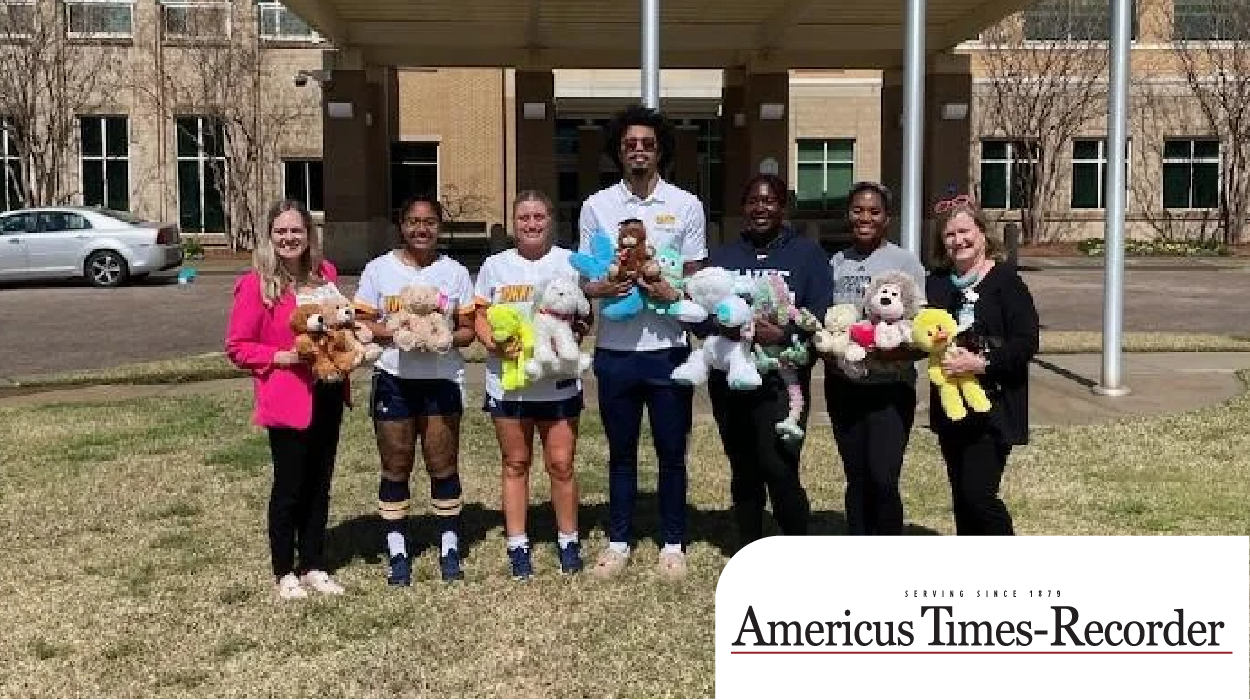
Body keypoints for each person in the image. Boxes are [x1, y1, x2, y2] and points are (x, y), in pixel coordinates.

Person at [578, 104, 706, 579]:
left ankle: (673, 542)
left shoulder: (686, 205)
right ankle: (618, 541)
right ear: (618, 151)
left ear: (660, 151)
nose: (638, 151)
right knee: (621, 452)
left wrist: (673, 294)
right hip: (615, 352)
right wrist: (602, 288)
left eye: (647, 144)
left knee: (673, 452)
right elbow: (586, 279)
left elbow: (696, 279)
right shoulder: (597, 206)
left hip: (669, 351)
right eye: (630, 143)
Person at [225, 199, 349, 600]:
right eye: (281, 231)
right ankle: (284, 570)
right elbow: (238, 347)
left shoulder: (324, 275)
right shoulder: (256, 285)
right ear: (269, 235)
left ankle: (313, 563)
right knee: (290, 485)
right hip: (287, 398)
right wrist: (283, 356)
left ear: (309, 235)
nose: (289, 238)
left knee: (320, 483)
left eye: (296, 230)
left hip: (327, 392)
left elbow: (339, 323)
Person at [702, 174, 834, 550]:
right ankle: (749, 545)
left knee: (778, 465)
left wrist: (785, 333)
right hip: (730, 379)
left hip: (781, 379)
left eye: (769, 201)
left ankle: (794, 545)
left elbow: (818, 312)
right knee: (743, 468)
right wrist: (733, 329)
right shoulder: (726, 256)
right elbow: (702, 311)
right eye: (753, 201)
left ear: (783, 206)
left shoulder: (806, 254)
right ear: (744, 208)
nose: (761, 208)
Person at [354, 195, 477, 584]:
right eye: (413, 221)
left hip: (441, 380)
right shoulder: (379, 270)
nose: (421, 229)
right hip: (394, 378)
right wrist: (397, 333)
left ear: (440, 227)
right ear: (401, 225)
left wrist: (442, 339)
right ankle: (397, 550)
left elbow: (468, 330)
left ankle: (449, 547)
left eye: (429, 222)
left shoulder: (454, 272)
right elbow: (361, 322)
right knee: (396, 465)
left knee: (443, 464)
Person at [473, 190, 591, 579]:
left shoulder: (568, 262)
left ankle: (568, 540)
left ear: (551, 219)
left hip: (556, 381)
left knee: (561, 465)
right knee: (515, 463)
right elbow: (480, 316)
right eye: (524, 217)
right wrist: (493, 343)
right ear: (513, 222)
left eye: (539, 216)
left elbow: (583, 315)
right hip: (508, 382)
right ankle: (518, 544)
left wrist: (574, 334)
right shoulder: (495, 265)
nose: (531, 224)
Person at [924, 197, 1039, 535]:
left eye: (965, 231)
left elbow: (1026, 342)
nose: (959, 240)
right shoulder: (938, 283)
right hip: (951, 407)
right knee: (961, 496)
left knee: (979, 496)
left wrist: (982, 362)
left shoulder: (1006, 281)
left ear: (983, 234)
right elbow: (923, 331)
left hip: (994, 406)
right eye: (950, 235)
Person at [825, 181, 927, 536]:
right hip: (845, 387)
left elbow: (919, 325)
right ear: (847, 215)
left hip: (891, 388)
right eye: (857, 210)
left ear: (887, 218)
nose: (864, 217)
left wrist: (890, 349)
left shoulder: (904, 261)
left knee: (883, 479)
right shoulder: (836, 262)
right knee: (856, 477)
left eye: (874, 211)